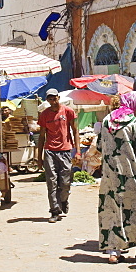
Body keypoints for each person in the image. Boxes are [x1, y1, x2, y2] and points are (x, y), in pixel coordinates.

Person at [95, 91, 136, 264]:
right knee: (135, 210)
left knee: (112, 211)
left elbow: (99, 145)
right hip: (130, 175)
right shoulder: (134, 123)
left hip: (109, 177)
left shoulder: (106, 121)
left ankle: (114, 252)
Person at [37, 88, 79, 222]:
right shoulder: (44, 115)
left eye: (54, 98)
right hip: (49, 151)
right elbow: (41, 136)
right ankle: (54, 211)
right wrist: (39, 158)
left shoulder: (68, 111)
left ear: (58, 97)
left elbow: (75, 131)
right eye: (50, 99)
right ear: (47, 100)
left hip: (65, 150)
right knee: (51, 182)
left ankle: (64, 200)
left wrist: (77, 151)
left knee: (65, 182)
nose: (53, 101)